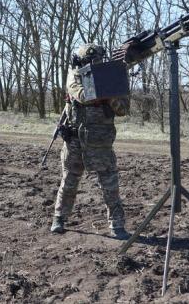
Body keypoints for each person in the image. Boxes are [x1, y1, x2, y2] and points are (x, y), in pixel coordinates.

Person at [51, 43, 131, 240]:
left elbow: (122, 109)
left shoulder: (112, 78)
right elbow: (83, 96)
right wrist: (106, 88)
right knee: (69, 182)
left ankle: (117, 224)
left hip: (101, 142)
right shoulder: (75, 76)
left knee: (110, 185)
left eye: (97, 60)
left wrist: (109, 90)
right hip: (76, 142)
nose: (94, 64)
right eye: (89, 61)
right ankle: (59, 218)